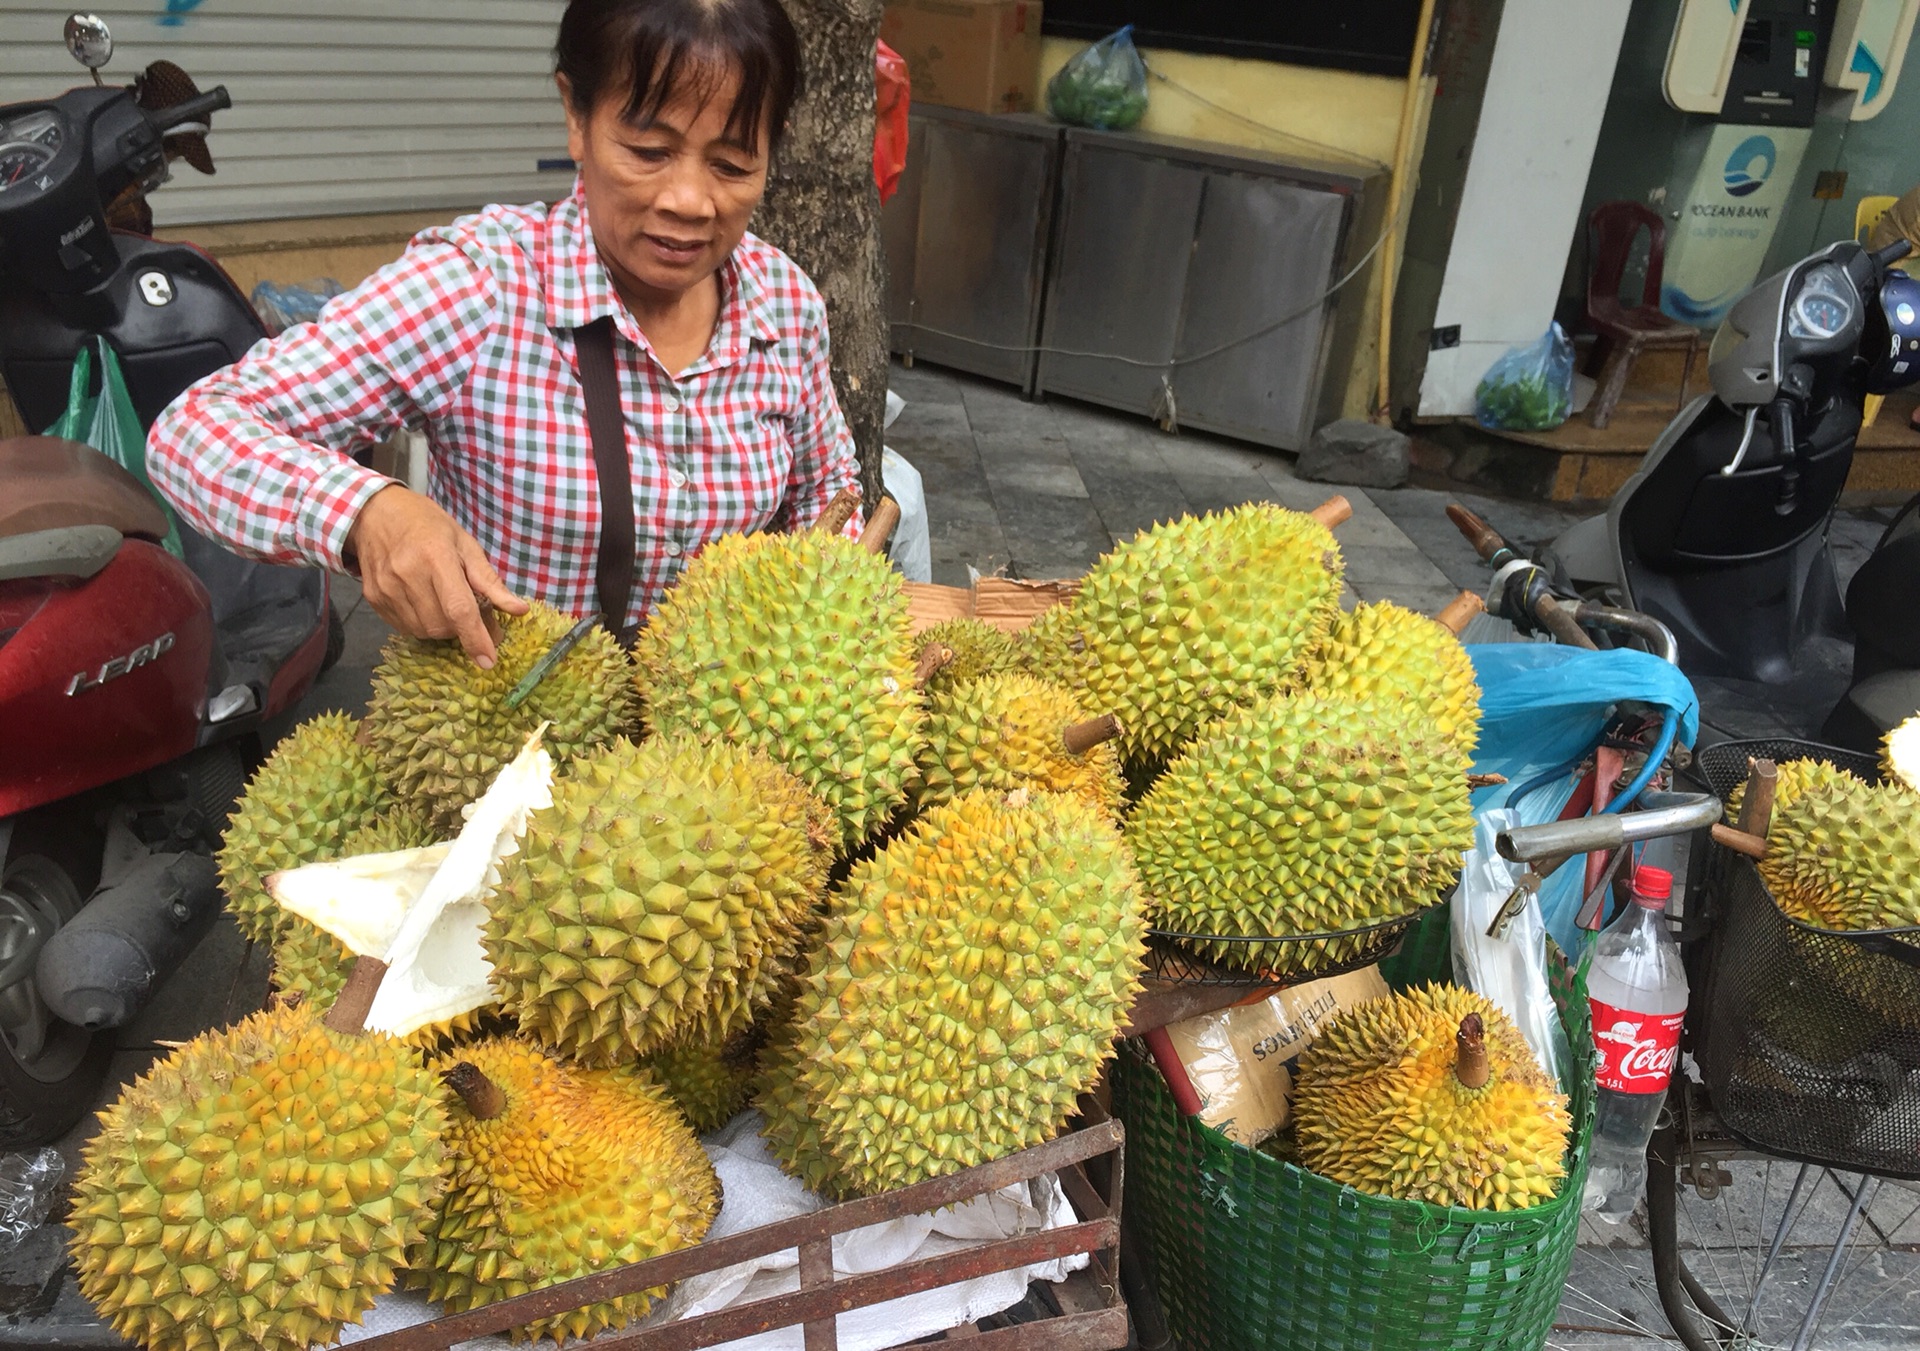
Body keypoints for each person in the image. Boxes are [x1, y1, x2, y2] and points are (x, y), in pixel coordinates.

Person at [147, 0, 860, 668]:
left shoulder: (784, 306)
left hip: (725, 749)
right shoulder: (483, 288)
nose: (688, 201)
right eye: (648, 150)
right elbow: (197, 432)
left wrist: (826, 609)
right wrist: (367, 512)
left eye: (733, 165)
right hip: (512, 752)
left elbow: (829, 489)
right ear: (575, 116)